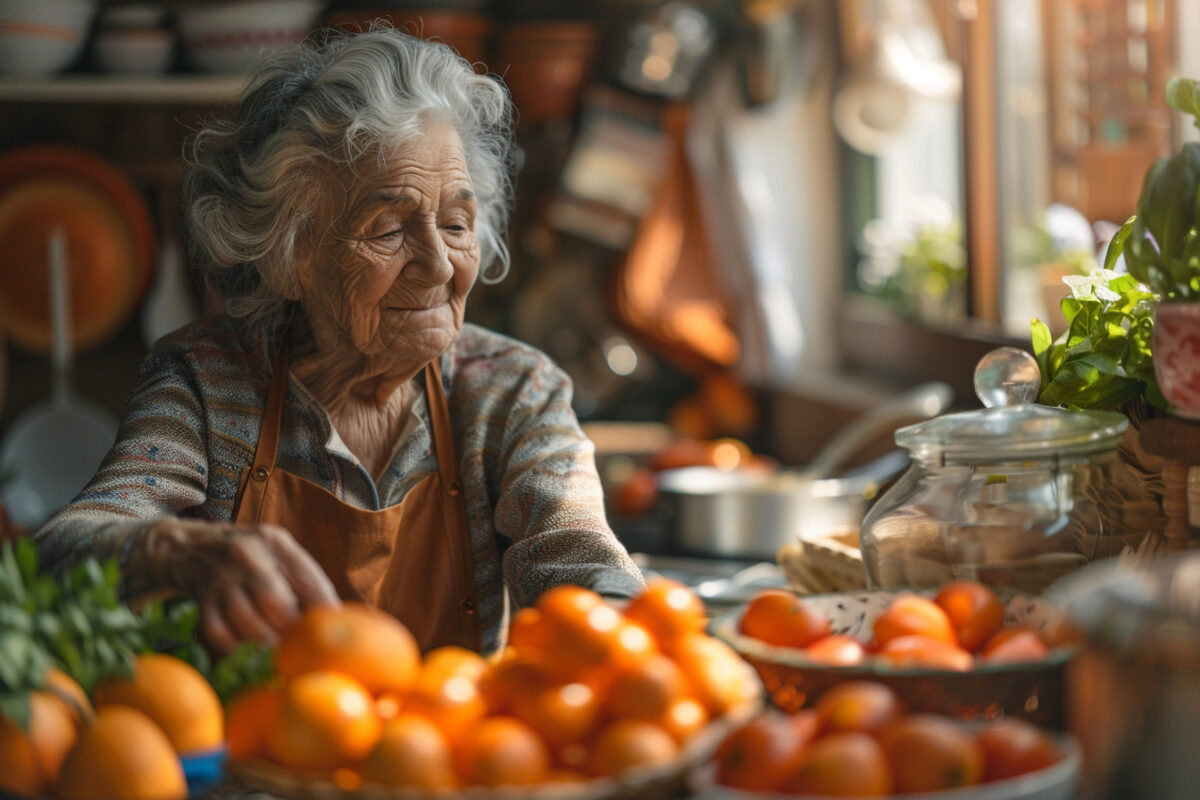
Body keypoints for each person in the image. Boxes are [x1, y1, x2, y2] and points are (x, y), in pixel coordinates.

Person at [33, 26, 644, 655]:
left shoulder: (512, 390)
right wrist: (172, 551)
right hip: (255, 744)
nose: (438, 264)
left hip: (450, 741)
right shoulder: (205, 382)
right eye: (388, 230)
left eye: (456, 223)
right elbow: (64, 549)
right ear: (291, 254)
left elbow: (577, 555)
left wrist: (636, 634)